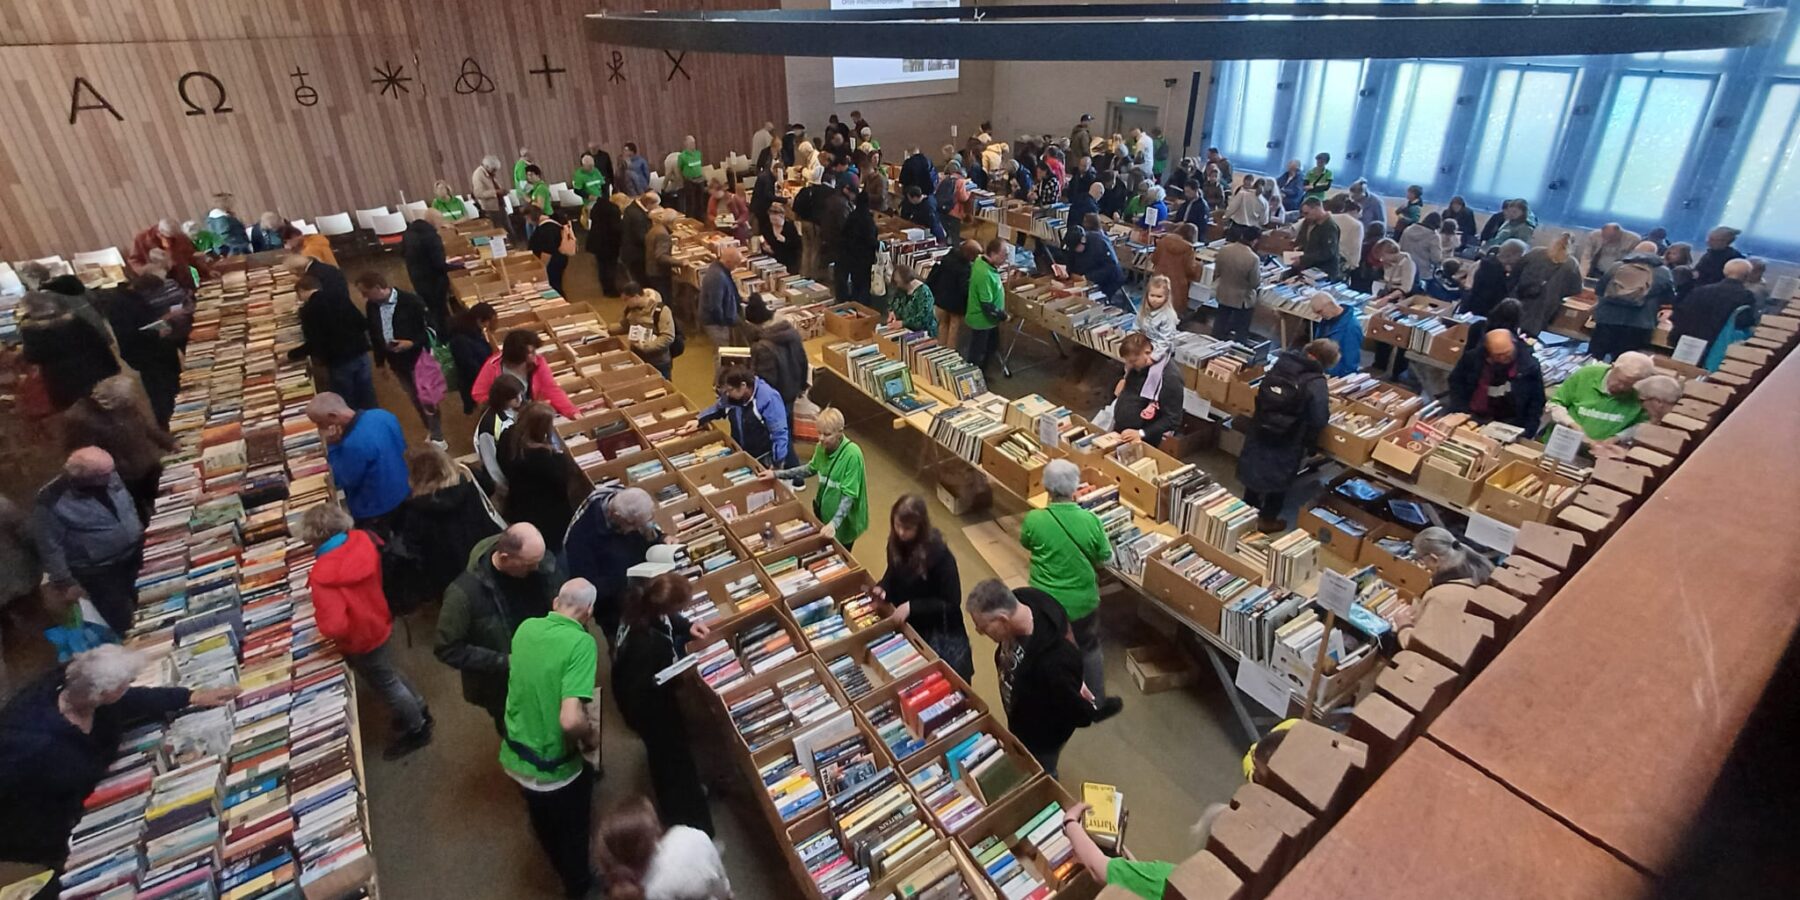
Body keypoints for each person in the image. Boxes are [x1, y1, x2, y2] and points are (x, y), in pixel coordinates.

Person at [0, 645, 238, 869]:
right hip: (48, 832)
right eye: (125, 685)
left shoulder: (85, 693)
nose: (129, 687)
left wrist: (189, 696)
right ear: (104, 692)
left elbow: (132, 701)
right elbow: (29, 811)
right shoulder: (34, 743)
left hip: (91, 801)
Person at [298, 504, 434, 759]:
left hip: (360, 639)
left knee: (386, 683)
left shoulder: (323, 575)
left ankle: (417, 728)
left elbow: (333, 626)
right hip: (380, 618)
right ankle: (418, 707)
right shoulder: (362, 541)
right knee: (391, 672)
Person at [501, 578, 602, 899]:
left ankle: (561, 868)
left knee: (541, 818)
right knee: (574, 827)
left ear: (555, 601)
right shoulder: (581, 644)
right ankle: (579, 883)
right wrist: (590, 735)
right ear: (588, 612)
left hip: (515, 753)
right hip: (554, 765)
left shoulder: (526, 628)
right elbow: (570, 719)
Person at [966, 579, 1114, 777]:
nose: (979, 632)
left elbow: (1079, 713)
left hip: (1039, 736)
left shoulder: (1053, 663)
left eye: (982, 627)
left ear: (1002, 620)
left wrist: (1073, 684)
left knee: (1041, 771)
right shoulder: (1027, 598)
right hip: (1020, 714)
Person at [611, 575, 717, 837]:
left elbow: (669, 623)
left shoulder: (642, 606)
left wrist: (688, 626)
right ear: (668, 607)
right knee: (673, 765)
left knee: (669, 760)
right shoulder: (648, 646)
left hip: (646, 698)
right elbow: (646, 686)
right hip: (651, 711)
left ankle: (682, 807)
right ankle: (692, 825)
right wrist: (681, 677)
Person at [437, 523, 564, 731]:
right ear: (505, 558)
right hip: (505, 685)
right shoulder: (463, 594)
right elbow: (447, 648)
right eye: (529, 564)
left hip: (548, 669)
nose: (536, 568)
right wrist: (505, 661)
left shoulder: (538, 560)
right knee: (518, 733)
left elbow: (559, 593)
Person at [1019, 459, 1118, 706]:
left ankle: (1049, 700)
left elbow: (1026, 543)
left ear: (1046, 488)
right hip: (1082, 603)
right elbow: (1107, 558)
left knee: (1046, 648)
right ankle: (1096, 701)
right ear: (1075, 487)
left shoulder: (1034, 519)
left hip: (1044, 605)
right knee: (1089, 647)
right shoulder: (1091, 521)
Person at [33, 449, 144, 635]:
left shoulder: (109, 475)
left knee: (150, 601)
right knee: (121, 617)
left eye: (110, 471)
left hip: (135, 553)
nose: (111, 478)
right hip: (99, 570)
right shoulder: (51, 500)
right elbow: (50, 546)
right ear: (81, 477)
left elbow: (127, 503)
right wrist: (65, 582)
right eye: (103, 475)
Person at [870, 494, 972, 680]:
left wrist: (912, 606)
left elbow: (951, 602)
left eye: (907, 528)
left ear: (920, 527)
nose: (900, 532)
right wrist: (883, 587)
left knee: (946, 682)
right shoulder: (895, 543)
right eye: (897, 525)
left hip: (938, 631)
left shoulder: (939, 555)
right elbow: (893, 572)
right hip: (910, 627)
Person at [1238, 340, 1333, 532]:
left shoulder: (1281, 364)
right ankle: (1267, 519)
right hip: (1289, 437)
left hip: (1261, 427)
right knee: (1279, 479)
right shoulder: (1316, 382)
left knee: (1255, 468)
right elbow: (1319, 418)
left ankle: (1245, 513)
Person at [394, 443, 504, 606]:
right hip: (484, 555)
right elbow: (489, 487)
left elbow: (414, 550)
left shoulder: (414, 511)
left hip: (448, 575)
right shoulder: (468, 477)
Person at [62, 375, 174, 524]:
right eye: (125, 404)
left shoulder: (125, 403)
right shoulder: (81, 419)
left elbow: (146, 427)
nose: (129, 406)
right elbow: (83, 456)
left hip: (147, 466)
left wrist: (170, 443)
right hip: (121, 477)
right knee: (138, 518)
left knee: (169, 503)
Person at [565, 485, 662, 646]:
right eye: (633, 525)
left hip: (644, 591)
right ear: (615, 515)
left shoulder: (621, 495)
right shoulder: (581, 536)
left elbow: (647, 527)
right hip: (615, 609)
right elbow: (588, 587)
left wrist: (661, 538)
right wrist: (626, 579)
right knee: (626, 650)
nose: (636, 530)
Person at [356, 272, 444, 445]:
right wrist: (380, 363)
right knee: (414, 398)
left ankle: (438, 435)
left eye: (366, 292)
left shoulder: (411, 301)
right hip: (396, 362)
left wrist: (411, 343)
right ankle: (430, 429)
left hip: (419, 359)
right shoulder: (371, 306)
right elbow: (375, 335)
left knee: (427, 398)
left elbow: (432, 329)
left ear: (377, 288)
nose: (363, 297)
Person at [766, 406, 868, 548]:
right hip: (824, 515)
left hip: (844, 525)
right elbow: (810, 469)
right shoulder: (821, 447)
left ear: (840, 432)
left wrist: (834, 524)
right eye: (819, 433)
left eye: (826, 434)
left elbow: (848, 496)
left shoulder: (853, 455)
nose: (821, 439)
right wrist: (777, 474)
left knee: (840, 554)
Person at [307, 392, 409, 530]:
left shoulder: (353, 444)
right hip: (405, 491)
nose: (319, 429)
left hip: (376, 510)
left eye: (319, 423)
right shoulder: (382, 415)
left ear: (332, 417)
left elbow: (340, 479)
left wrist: (333, 446)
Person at [284, 254, 374, 410]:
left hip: (339, 360)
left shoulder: (308, 310)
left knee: (346, 400)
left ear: (302, 291)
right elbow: (361, 322)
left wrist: (292, 354)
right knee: (367, 394)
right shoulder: (339, 297)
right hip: (360, 352)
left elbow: (314, 342)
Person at [598, 796, 731, 900]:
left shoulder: (649, 892)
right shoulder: (687, 834)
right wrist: (726, 894)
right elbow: (719, 878)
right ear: (655, 829)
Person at [103, 272, 184, 427]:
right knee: (161, 391)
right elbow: (129, 333)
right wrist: (156, 332)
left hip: (158, 349)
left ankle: (177, 415)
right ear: (144, 290)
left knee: (171, 385)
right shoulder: (120, 305)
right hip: (147, 354)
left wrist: (162, 320)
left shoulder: (130, 297)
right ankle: (169, 424)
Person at [499, 403, 580, 555]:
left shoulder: (508, 438)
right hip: (548, 518)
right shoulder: (545, 459)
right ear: (541, 429)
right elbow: (563, 481)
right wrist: (561, 456)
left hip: (519, 506)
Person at [17, 291, 118, 412]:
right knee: (108, 407)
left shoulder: (32, 331)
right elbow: (98, 343)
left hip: (62, 381)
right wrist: (113, 368)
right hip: (93, 370)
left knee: (81, 416)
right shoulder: (75, 320)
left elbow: (32, 356)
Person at [1545, 352, 1656, 450]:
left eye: (1629, 385)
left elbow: (1643, 425)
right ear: (1612, 367)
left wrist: (1617, 438)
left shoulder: (1643, 392)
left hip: (1602, 455)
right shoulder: (1586, 374)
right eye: (1619, 381)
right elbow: (1555, 404)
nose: (1621, 387)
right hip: (1561, 445)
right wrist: (1574, 426)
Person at [686, 365, 791, 467]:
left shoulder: (768, 399)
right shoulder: (732, 397)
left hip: (763, 456)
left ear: (743, 386)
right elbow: (719, 408)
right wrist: (699, 420)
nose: (726, 395)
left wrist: (777, 463)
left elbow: (779, 434)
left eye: (729, 391)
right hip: (739, 450)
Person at [1446, 328, 1546, 434]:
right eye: (1498, 355)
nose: (1504, 357)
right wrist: (1460, 412)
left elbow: (1537, 401)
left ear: (1514, 344)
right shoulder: (1472, 359)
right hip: (1473, 418)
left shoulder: (1529, 367)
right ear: (1488, 352)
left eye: (1507, 352)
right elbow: (1456, 383)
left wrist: (1528, 431)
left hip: (1510, 423)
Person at [1590, 242, 1673, 361]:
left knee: (1594, 357)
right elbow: (1669, 298)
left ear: (1635, 251)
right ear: (1656, 254)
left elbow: (1600, 289)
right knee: (1625, 362)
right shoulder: (1663, 272)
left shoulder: (1617, 266)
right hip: (1639, 323)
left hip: (1608, 319)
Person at [472, 328, 580, 419]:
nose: (535, 355)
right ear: (518, 354)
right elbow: (479, 394)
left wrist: (572, 411)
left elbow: (551, 388)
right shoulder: (493, 366)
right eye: (531, 352)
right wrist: (506, 405)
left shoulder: (538, 363)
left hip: (529, 414)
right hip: (502, 417)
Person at [1671, 257, 1758, 364]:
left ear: (1724, 272)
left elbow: (1680, 313)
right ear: (1747, 276)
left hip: (1689, 343)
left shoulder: (1701, 291)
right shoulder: (1746, 297)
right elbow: (1744, 323)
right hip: (1716, 349)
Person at [1108, 332, 1183, 448]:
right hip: (1120, 432)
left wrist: (1141, 433)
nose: (1129, 365)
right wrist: (1124, 379)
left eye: (1133, 361)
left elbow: (1173, 419)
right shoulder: (1139, 366)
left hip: (1143, 439)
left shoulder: (1170, 378)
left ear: (1148, 352)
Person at [1514, 233, 1583, 337]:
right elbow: (1576, 289)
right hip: (1547, 304)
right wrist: (1559, 294)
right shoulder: (1571, 264)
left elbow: (1516, 270)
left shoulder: (1535, 252)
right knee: (1532, 335)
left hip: (1522, 296)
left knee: (1513, 326)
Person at [612, 282, 678, 380]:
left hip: (658, 361)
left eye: (626, 300)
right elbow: (625, 325)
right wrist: (608, 330)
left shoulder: (661, 311)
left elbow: (667, 337)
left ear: (636, 297)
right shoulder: (630, 310)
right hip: (637, 356)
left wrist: (646, 346)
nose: (625, 303)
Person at [401, 211, 454, 331]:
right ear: (434, 220)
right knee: (440, 311)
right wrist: (459, 267)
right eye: (440, 220)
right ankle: (445, 336)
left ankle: (437, 334)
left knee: (430, 309)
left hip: (416, 278)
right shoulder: (431, 237)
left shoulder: (408, 233)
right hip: (433, 281)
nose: (441, 223)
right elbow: (439, 264)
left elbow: (402, 253)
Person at [1057, 225, 1127, 309]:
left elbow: (1111, 267)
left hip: (1109, 281)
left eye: (1076, 247)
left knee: (1099, 305)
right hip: (1085, 281)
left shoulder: (1100, 242)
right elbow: (1070, 261)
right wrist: (1068, 272)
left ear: (1083, 240)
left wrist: (1088, 277)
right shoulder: (1073, 246)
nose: (1075, 251)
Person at [475, 374, 524, 491]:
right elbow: (490, 462)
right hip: (504, 480)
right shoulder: (489, 426)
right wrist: (504, 487)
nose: (520, 399)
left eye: (520, 395)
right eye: (515, 397)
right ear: (503, 399)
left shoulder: (514, 410)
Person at [128, 218, 209, 290]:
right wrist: (146, 271)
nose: (171, 241)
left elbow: (191, 257)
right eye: (169, 238)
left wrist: (206, 272)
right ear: (159, 234)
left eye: (174, 238)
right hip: (159, 283)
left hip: (182, 279)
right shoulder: (142, 239)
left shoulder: (180, 237)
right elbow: (134, 261)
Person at [965, 238, 1008, 371]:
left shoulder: (982, 262)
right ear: (993, 254)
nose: (1006, 258)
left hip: (989, 321)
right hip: (982, 321)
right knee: (977, 353)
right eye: (1004, 255)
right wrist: (1004, 316)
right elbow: (987, 305)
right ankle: (975, 376)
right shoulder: (984, 274)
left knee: (992, 346)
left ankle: (982, 372)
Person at [448, 303, 497, 415]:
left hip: (479, 378)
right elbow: (469, 366)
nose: (487, 326)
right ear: (480, 320)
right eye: (488, 322)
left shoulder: (472, 331)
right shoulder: (461, 340)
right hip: (475, 383)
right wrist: (488, 378)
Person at [837, 178, 880, 304]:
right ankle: (863, 305)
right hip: (864, 258)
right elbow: (870, 239)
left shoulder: (852, 216)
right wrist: (880, 244)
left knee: (856, 283)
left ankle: (854, 303)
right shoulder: (868, 219)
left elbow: (844, 234)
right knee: (864, 285)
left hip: (851, 256)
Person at [928, 239, 976, 349]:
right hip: (956, 304)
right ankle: (950, 352)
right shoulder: (965, 268)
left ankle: (940, 348)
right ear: (970, 254)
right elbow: (964, 288)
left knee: (942, 325)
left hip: (941, 298)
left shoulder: (948, 257)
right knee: (954, 329)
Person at [1461, 238, 1526, 319]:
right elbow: (1489, 299)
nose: (1521, 260)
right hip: (1478, 316)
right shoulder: (1492, 271)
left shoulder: (1486, 264)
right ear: (1510, 254)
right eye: (1520, 256)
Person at [1152, 223, 1204, 322]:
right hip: (1177, 285)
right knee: (1171, 313)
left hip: (1159, 279)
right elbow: (1190, 270)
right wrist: (1199, 265)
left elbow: (1154, 259)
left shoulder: (1163, 241)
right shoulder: (1188, 249)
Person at [700, 241, 746, 348]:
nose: (736, 267)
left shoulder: (719, 269)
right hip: (715, 323)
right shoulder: (718, 277)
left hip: (720, 320)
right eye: (736, 264)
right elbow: (715, 305)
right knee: (722, 352)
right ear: (728, 262)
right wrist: (724, 322)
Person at [1285, 198, 1342, 280]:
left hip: (1324, 270)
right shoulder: (1307, 222)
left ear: (1317, 209)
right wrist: (1295, 250)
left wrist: (1303, 259)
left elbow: (1328, 252)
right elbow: (1301, 240)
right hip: (1307, 267)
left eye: (1307, 213)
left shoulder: (1330, 227)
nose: (1305, 216)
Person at [1308, 292, 1362, 377]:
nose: (1319, 316)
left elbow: (1350, 364)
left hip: (1335, 376)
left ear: (1330, 305)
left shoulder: (1351, 327)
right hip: (1321, 370)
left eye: (1319, 311)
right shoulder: (1326, 320)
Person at [526, 205, 573, 295]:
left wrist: (541, 267)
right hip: (557, 260)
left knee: (554, 286)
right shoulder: (550, 223)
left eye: (527, 219)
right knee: (556, 284)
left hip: (552, 263)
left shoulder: (546, 229)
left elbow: (547, 251)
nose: (528, 222)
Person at [587, 188, 624, 296]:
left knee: (602, 267)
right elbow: (615, 228)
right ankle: (611, 290)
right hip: (609, 243)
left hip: (596, 241)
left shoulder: (598, 206)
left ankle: (606, 289)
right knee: (610, 266)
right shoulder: (614, 209)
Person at [1135, 276, 1180, 362]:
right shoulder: (1143, 310)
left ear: (1166, 297)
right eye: (1152, 295)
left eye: (1159, 296)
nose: (1154, 300)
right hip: (1146, 345)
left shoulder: (1169, 315)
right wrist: (1133, 339)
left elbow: (1165, 340)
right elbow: (1136, 326)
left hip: (1162, 350)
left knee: (1154, 372)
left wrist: (1153, 357)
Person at [645, 207, 681, 313]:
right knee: (665, 302)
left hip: (651, 269)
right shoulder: (662, 234)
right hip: (659, 273)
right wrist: (680, 262)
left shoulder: (656, 228)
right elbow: (661, 256)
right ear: (671, 222)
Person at [621, 191, 659, 288]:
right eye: (655, 205)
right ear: (648, 203)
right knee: (642, 280)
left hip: (631, 251)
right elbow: (641, 237)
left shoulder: (633, 207)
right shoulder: (637, 216)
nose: (656, 208)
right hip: (636, 255)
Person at [1401, 213, 1450, 280]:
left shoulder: (1408, 230)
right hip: (1422, 273)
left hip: (1404, 268)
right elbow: (1436, 258)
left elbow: (1400, 247)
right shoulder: (1434, 237)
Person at [759, 200, 802, 273]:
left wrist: (785, 240)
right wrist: (765, 248)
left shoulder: (789, 227)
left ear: (782, 216)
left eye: (776, 218)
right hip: (772, 261)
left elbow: (798, 245)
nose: (773, 220)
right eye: (771, 218)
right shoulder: (767, 227)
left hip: (789, 261)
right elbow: (764, 242)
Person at [472, 155, 508, 232]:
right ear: (487, 166)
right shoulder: (478, 175)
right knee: (498, 231)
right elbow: (478, 194)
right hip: (491, 208)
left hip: (500, 205)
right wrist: (496, 192)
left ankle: (512, 243)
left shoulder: (490, 173)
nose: (495, 172)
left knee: (508, 229)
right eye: (494, 169)